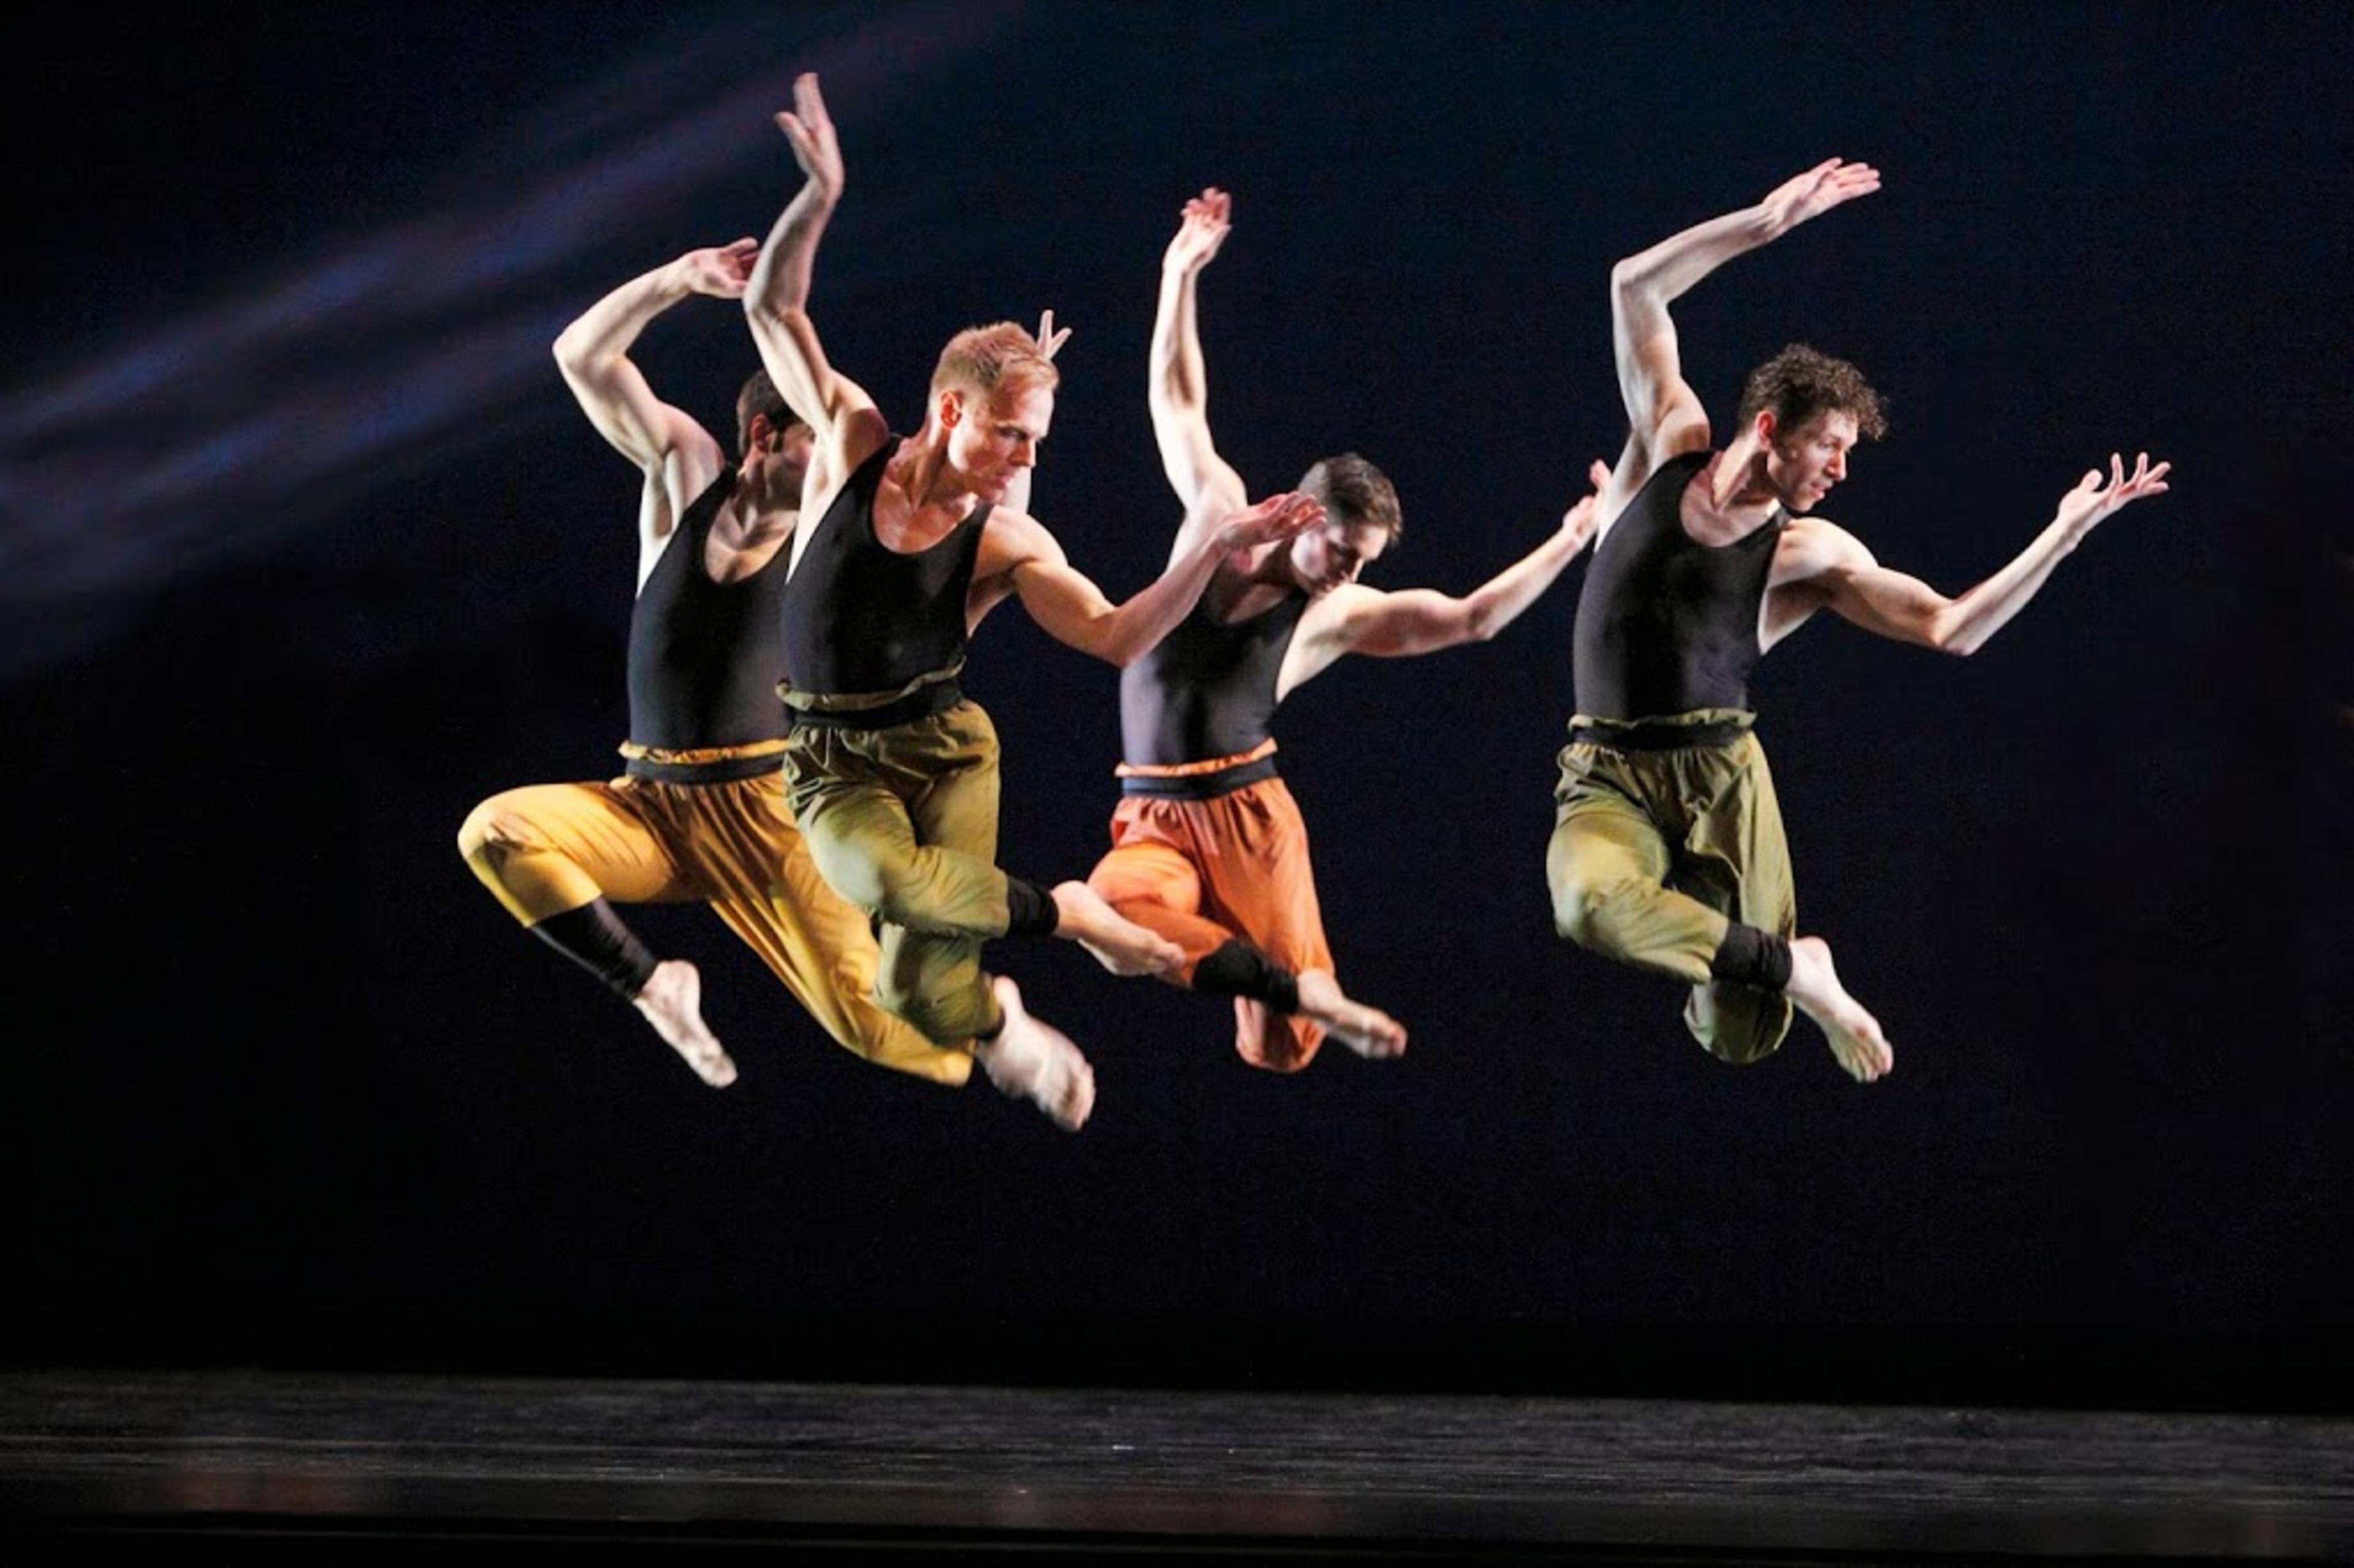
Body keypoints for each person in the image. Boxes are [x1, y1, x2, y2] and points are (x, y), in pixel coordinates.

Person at [742, 77, 1324, 1128]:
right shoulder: (849, 443)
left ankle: (995, 1008)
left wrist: (1215, 547)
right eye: (1011, 435)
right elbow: (771, 311)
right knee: (887, 894)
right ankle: (1066, 927)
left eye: (1038, 442)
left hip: (948, 754)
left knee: (917, 988)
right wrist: (819, 197)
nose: (1025, 460)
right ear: (949, 409)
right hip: (834, 760)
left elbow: (1117, 635)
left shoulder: (1005, 539)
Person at [1550, 158, 2171, 1083]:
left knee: (1739, 1034)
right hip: (1607, 772)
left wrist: (2063, 535)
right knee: (1585, 905)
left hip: (1723, 783)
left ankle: (1784, 972)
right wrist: (1765, 223)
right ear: (1769, 427)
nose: (1840, 470)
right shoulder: (1668, 441)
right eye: (1829, 446)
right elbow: (1632, 286)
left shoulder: (1806, 554)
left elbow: (1952, 627)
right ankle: (1797, 968)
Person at [459, 237, 1042, 1116]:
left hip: (772, 815)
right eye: (817, 441)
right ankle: (654, 987)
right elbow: (580, 356)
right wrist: (678, 280)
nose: (841, 461)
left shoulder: (845, 541)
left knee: (878, 1032)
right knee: (496, 832)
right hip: (652, 809)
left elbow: (975, 534)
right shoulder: (685, 479)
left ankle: (993, 1023)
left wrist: (1009, 427)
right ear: (766, 436)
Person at [1088, 189, 1606, 1072]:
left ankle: (1293, 1000)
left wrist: (1568, 539)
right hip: (1151, 816)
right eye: (1340, 550)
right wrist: (1179, 274)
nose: (1348, 574)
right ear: (1300, 514)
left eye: (1363, 561)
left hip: (1251, 821)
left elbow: (1470, 619)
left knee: (1278, 1051)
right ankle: (1293, 986)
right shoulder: (1218, 517)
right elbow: (1177, 400)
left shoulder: (1333, 616)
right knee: (1109, 918)